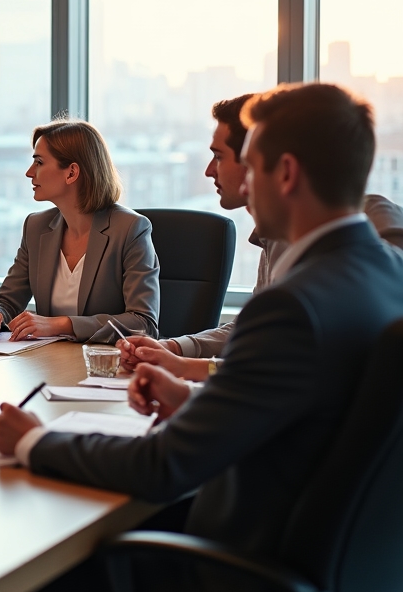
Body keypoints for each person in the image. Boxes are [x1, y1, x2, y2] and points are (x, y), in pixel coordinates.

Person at [0, 81, 403, 592]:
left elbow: (159, 470)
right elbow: (316, 413)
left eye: (249, 161)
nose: (227, 177)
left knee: (0, 591)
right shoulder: (384, 276)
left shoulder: (294, 303)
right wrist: (198, 400)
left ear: (285, 173)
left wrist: (31, 439)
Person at [118, 94, 403, 382]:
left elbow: (282, 362)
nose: (208, 170)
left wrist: (188, 369)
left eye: (219, 156)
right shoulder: (275, 235)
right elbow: (262, 338)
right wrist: (177, 351)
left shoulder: (370, 225)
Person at [0, 119, 159, 343]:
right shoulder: (36, 227)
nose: (29, 173)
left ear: (71, 173)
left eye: (39, 162)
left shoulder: (130, 229)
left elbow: (143, 322)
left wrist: (62, 324)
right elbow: (8, 300)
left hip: (106, 366)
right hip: (49, 362)